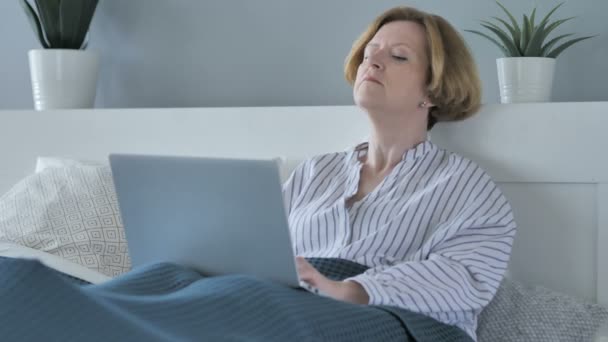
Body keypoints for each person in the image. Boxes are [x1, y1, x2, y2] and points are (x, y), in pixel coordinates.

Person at [287, 6, 516, 341]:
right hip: (292, 304)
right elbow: (259, 251)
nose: (373, 62)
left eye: (398, 56)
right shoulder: (313, 172)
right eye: (369, 52)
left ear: (433, 89)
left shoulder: (465, 185)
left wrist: (352, 290)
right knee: (185, 281)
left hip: (398, 323)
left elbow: (467, 277)